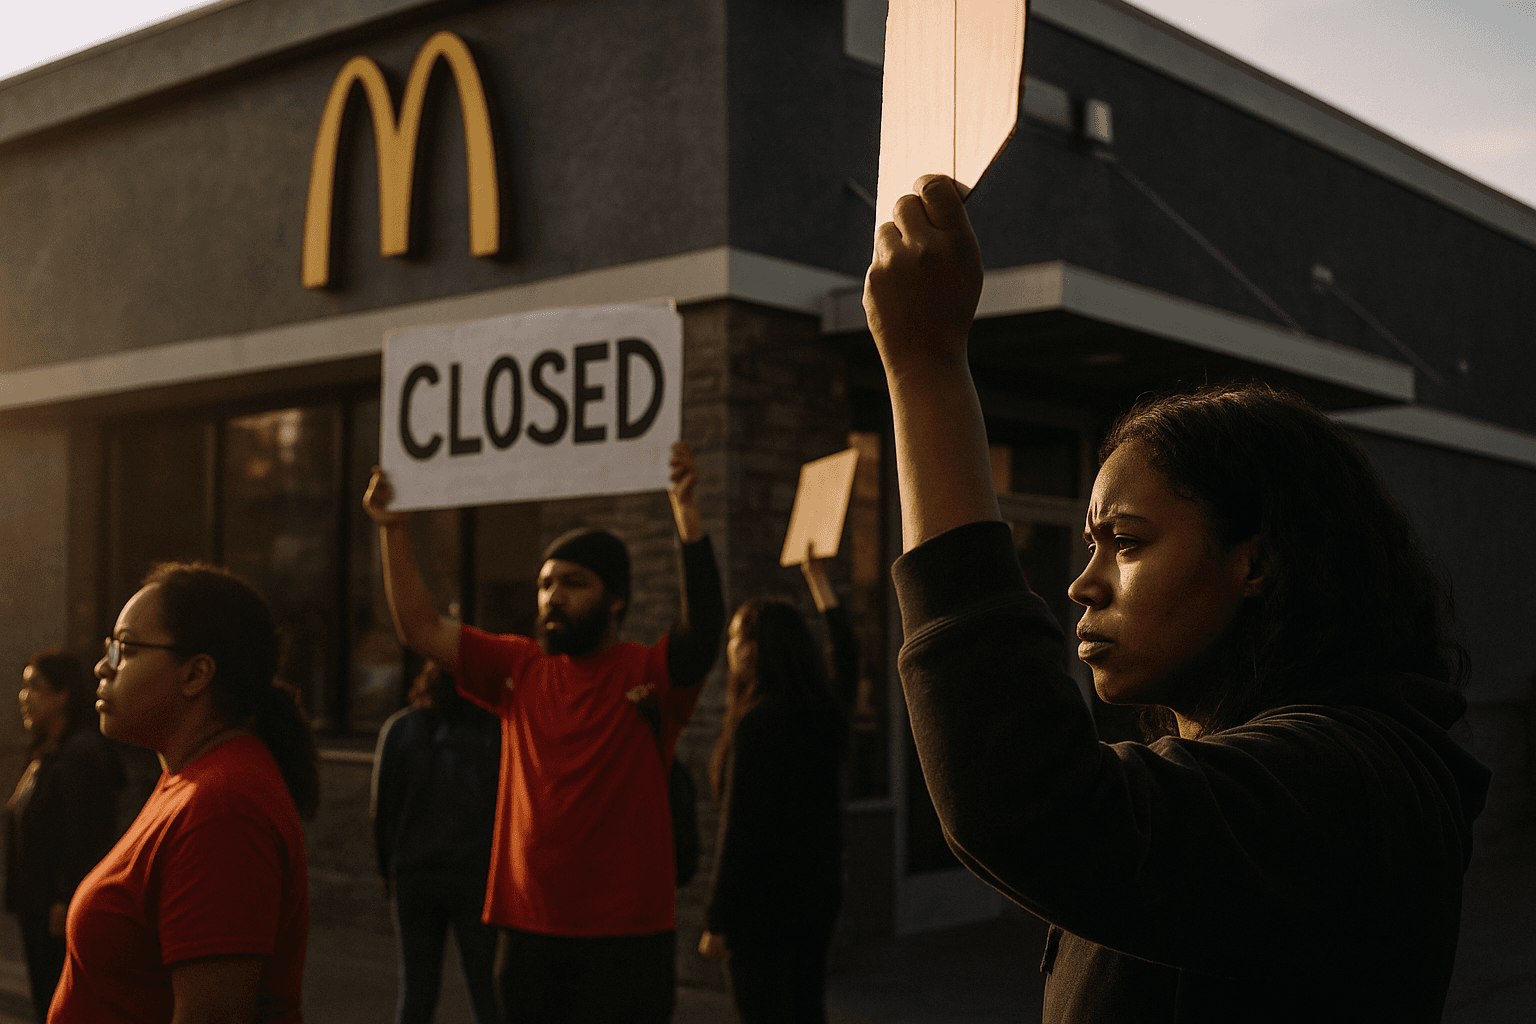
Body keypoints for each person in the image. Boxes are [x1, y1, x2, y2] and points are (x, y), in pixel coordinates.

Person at [862, 174, 1490, 1023]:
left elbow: (1025, 804)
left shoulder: (1350, 783)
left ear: (1256, 561)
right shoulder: (1235, 775)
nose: (1082, 583)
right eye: (1091, 545)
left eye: (1126, 542)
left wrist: (929, 373)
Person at [362, 440, 724, 1024]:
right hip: (528, 933)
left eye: (573, 583)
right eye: (545, 584)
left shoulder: (648, 674)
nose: (552, 596)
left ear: (616, 600)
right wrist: (392, 529)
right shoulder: (518, 669)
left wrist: (687, 518)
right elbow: (421, 628)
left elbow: (702, 632)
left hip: (626, 939)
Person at [51, 562, 318, 1024]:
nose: (102, 667)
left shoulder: (223, 809)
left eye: (126, 649)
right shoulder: (189, 779)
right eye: (109, 648)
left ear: (196, 675)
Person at [698, 554, 853, 1024]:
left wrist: (716, 919)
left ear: (753, 648)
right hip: (816, 896)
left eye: (734, 636)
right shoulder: (821, 714)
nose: (728, 647)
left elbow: (738, 833)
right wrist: (818, 582)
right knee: (807, 1009)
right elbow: (847, 655)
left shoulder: (757, 724)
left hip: (760, 909)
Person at [371, 659, 503, 1024]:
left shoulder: (400, 728)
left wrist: (387, 869)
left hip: (415, 873)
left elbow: (383, 809)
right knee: (486, 989)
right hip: (475, 875)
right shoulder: (494, 730)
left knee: (416, 991)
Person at [6, 650, 125, 1022]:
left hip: (62, 915)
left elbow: (85, 835)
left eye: (35, 687)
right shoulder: (46, 753)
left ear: (63, 695)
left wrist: (63, 898)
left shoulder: (81, 754)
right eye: (23, 687)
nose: (24, 697)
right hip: (36, 910)